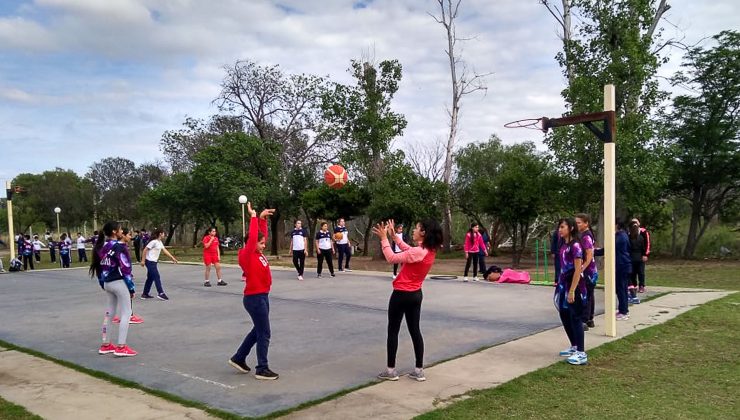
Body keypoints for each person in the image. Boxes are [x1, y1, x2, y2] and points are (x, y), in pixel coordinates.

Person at [373, 218, 443, 382]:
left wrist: (384, 238)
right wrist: (394, 236)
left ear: (423, 233)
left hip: (401, 295)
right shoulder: (428, 250)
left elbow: (391, 258)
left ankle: (391, 371)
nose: (413, 230)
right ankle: (419, 370)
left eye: (417, 228)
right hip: (415, 295)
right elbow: (409, 249)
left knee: (393, 331)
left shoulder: (419, 252)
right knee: (415, 331)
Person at [229, 202, 279, 380]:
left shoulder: (257, 253)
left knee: (258, 331)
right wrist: (253, 216)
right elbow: (253, 238)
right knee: (264, 333)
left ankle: (238, 357)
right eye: (261, 243)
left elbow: (260, 235)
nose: (264, 245)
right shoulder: (247, 253)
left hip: (262, 296)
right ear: (252, 243)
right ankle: (262, 368)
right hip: (254, 298)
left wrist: (263, 219)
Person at [89, 221, 137, 357]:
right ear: (115, 232)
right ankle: (121, 346)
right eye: (121, 229)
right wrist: (131, 288)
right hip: (118, 282)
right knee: (126, 313)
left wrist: (102, 283)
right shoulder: (120, 247)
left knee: (109, 314)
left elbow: (99, 268)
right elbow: (126, 269)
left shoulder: (102, 246)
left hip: (107, 283)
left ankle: (106, 344)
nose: (122, 231)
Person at [554, 217, 588, 366]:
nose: (560, 230)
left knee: (576, 318)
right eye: (559, 227)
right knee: (564, 314)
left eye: (562, 227)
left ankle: (581, 353)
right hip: (563, 286)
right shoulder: (563, 246)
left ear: (571, 228)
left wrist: (573, 291)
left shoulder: (576, 246)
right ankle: (574, 346)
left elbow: (577, 270)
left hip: (575, 287)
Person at [112, 228, 144, 325]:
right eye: (129, 235)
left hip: (114, 277)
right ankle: (129, 316)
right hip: (121, 277)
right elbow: (124, 268)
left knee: (121, 297)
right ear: (123, 235)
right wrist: (131, 287)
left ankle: (123, 315)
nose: (131, 237)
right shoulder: (121, 248)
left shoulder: (115, 246)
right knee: (127, 295)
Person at [141, 228, 178, 300]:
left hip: (154, 262)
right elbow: (145, 250)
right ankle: (161, 293)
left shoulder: (159, 242)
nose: (164, 235)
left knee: (150, 278)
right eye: (163, 233)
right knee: (156, 276)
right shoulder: (153, 242)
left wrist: (172, 258)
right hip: (149, 261)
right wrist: (143, 261)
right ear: (160, 233)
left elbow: (164, 250)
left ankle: (145, 294)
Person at [575, 213, 598, 330]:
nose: (577, 224)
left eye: (579, 222)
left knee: (585, 295)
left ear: (586, 223)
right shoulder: (585, 235)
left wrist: (581, 269)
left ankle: (584, 319)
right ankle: (589, 318)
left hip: (588, 270)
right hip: (591, 270)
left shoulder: (586, 237)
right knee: (589, 294)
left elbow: (589, 255)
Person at [615, 220, 632, 320]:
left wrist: (596, 251)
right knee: (623, 289)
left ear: (617, 225)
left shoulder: (620, 237)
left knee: (621, 289)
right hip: (624, 265)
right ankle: (623, 309)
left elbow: (611, 248)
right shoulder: (623, 235)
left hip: (622, 265)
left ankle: (624, 312)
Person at [630, 218, 650, 293]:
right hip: (632, 255)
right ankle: (634, 285)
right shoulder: (629, 233)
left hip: (641, 255)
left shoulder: (643, 232)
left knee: (641, 271)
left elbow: (647, 243)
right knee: (633, 271)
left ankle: (642, 285)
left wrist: (645, 254)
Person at [628, 223, 645, 305]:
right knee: (640, 272)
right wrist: (643, 254)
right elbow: (643, 248)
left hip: (631, 258)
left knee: (632, 275)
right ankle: (640, 285)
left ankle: (633, 288)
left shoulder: (629, 238)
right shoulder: (641, 238)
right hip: (639, 257)